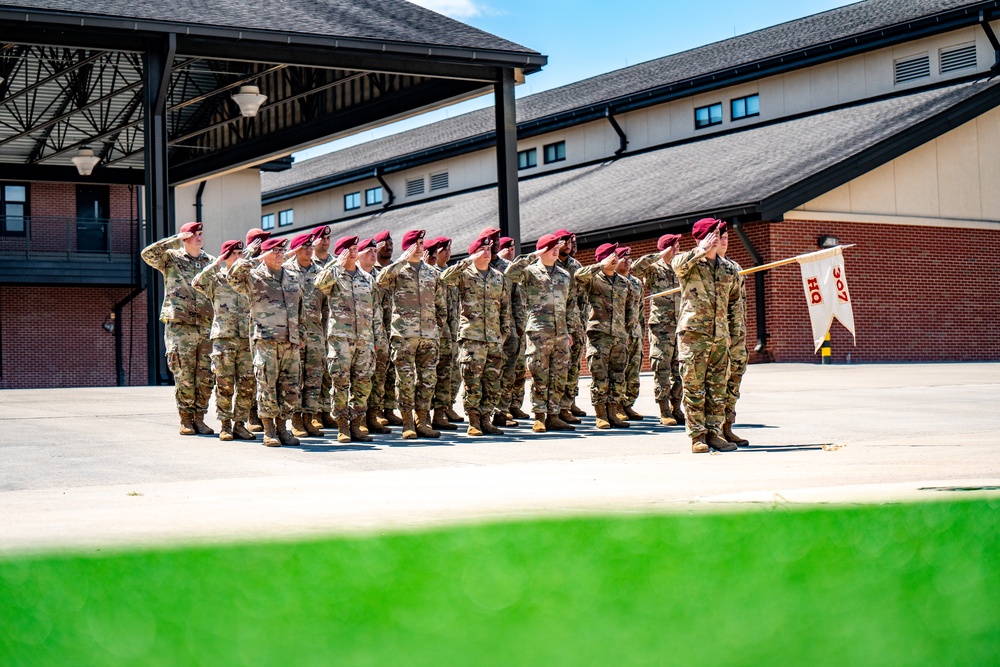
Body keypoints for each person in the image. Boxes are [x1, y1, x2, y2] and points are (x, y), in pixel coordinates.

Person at [671, 218, 741, 454]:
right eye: (714, 233)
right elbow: (676, 265)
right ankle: (697, 436)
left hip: (719, 336)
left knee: (717, 387)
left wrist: (731, 332)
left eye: (720, 233)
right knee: (693, 386)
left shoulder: (729, 268)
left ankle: (715, 433)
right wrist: (700, 250)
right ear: (702, 237)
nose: (719, 237)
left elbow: (733, 303)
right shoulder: (690, 263)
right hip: (694, 335)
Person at [141, 221, 216, 436]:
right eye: (194, 235)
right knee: (183, 373)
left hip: (205, 325)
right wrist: (175, 238)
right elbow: (148, 254)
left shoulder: (209, 262)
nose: (199, 238)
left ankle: (200, 418)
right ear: (185, 238)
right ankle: (185, 418)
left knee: (205, 375)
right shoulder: (171, 258)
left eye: (201, 234)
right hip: (180, 326)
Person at [229, 237, 304, 448]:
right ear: (265, 254)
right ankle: (269, 430)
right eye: (275, 251)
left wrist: (301, 335)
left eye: (282, 250)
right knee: (267, 386)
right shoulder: (253, 277)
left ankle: (283, 427)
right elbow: (233, 278)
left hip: (290, 340)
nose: (280, 254)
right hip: (266, 340)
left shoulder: (292, 276)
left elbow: (300, 309)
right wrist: (251, 257)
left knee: (290, 387)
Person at [376, 229, 448, 440]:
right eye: (415, 244)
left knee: (427, 380)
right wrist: (401, 260)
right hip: (404, 336)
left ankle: (422, 421)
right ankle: (407, 422)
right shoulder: (398, 270)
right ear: (407, 247)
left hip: (428, 336)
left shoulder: (432, 273)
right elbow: (380, 281)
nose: (419, 247)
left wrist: (437, 329)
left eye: (421, 243)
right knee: (405, 381)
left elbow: (441, 306)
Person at [439, 236, 511, 436]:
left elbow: (505, 308)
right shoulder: (465, 274)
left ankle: (486, 419)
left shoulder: (499, 277)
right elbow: (445, 278)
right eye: (482, 250)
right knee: (472, 381)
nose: (487, 253)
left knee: (492, 382)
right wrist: (466, 261)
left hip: (494, 338)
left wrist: (504, 333)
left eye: (489, 249)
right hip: (472, 338)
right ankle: (473, 421)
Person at [505, 235, 577, 433]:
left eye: (557, 247)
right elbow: (510, 273)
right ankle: (539, 416)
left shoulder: (564, 275)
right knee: (540, 374)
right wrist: (533, 255)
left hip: (561, 332)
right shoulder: (529, 272)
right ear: (541, 250)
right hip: (538, 332)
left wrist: (569, 330)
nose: (556, 251)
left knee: (559, 375)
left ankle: (554, 415)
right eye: (551, 247)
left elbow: (570, 306)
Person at [316, 235, 379, 443]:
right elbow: (320, 285)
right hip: (341, 339)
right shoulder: (334, 274)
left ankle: (357, 422)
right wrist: (336, 265)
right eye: (349, 249)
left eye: (354, 249)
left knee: (363, 382)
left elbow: (375, 310)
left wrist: (377, 338)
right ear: (342, 252)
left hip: (365, 338)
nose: (353, 252)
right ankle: (342, 424)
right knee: (340, 382)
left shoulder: (367, 278)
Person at [192, 239, 256, 442]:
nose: (239, 258)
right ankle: (225, 424)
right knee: (224, 384)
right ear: (226, 256)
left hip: (246, 338)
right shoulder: (216, 280)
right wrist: (215, 264)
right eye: (235, 254)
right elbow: (197, 283)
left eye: (241, 254)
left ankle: (240, 424)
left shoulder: (249, 279)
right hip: (224, 338)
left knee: (247, 384)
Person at [632, 234, 685, 426]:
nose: (678, 248)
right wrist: (659, 254)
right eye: (674, 246)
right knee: (661, 367)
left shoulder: (681, 266)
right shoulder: (653, 269)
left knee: (679, 369)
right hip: (661, 326)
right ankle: (664, 410)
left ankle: (676, 407)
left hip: (680, 324)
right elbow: (635, 269)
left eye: (678, 245)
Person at [283, 232, 327, 439]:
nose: (308, 250)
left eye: (310, 246)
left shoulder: (321, 272)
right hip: (294, 333)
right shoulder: (286, 271)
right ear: (295, 250)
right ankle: (296, 419)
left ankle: (310, 418)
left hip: (316, 333)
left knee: (314, 378)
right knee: (295, 379)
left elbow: (328, 305)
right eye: (303, 247)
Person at [717, 231, 750, 447]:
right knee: (717, 383)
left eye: (727, 236)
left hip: (738, 335)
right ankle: (714, 430)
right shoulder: (703, 265)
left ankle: (727, 427)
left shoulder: (735, 266)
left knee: (733, 382)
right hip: (720, 334)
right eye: (719, 237)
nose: (724, 240)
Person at [357, 238, 390, 435]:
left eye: (374, 251)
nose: (373, 254)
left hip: (378, 332)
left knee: (378, 377)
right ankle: (358, 418)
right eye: (368, 251)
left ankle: (373, 415)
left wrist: (380, 337)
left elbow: (381, 308)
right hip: (357, 335)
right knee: (359, 378)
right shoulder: (350, 275)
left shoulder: (379, 276)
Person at [426, 237, 460, 431]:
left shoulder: (451, 274)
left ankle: (443, 410)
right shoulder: (429, 274)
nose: (448, 253)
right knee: (429, 374)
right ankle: (425, 413)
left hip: (450, 330)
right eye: (443, 249)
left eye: (449, 249)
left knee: (447, 373)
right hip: (432, 331)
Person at [554, 230, 588, 422]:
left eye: (571, 241)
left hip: (575, 321)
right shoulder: (550, 264)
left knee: (574, 365)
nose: (568, 244)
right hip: (555, 321)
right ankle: (557, 406)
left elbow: (582, 296)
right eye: (564, 241)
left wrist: (582, 322)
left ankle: (569, 402)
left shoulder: (576, 265)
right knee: (559, 365)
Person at [242, 227, 271, 433]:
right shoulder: (245, 264)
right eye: (259, 243)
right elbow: (234, 272)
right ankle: (251, 414)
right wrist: (249, 254)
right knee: (248, 374)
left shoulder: (269, 266)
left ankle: (264, 413)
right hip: (244, 327)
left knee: (264, 373)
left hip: (265, 327)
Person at [372, 230, 402, 427]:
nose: (389, 246)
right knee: (377, 370)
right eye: (385, 243)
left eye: (391, 243)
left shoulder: (396, 269)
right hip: (378, 325)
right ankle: (376, 410)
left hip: (396, 325)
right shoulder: (370, 270)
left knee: (392, 370)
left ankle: (389, 408)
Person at [498, 236, 530, 420]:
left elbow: (518, 300)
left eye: (513, 249)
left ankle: (515, 404)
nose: (511, 252)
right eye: (507, 249)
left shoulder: (519, 272)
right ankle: (501, 408)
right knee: (502, 369)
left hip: (517, 325)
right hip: (501, 326)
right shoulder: (498, 269)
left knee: (518, 368)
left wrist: (519, 324)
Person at [310, 224, 337, 431]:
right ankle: (314, 414)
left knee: (328, 371)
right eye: (322, 239)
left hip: (332, 323)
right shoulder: (305, 263)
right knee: (313, 371)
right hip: (311, 325)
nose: (326, 242)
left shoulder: (334, 263)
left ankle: (326, 410)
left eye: (328, 239)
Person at [615, 246, 646, 420]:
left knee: (633, 372)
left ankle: (628, 405)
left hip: (635, 333)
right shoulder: (611, 281)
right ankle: (617, 406)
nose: (628, 262)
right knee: (620, 371)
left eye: (629, 258)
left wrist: (640, 331)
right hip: (619, 334)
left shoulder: (636, 283)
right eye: (623, 258)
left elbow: (640, 310)